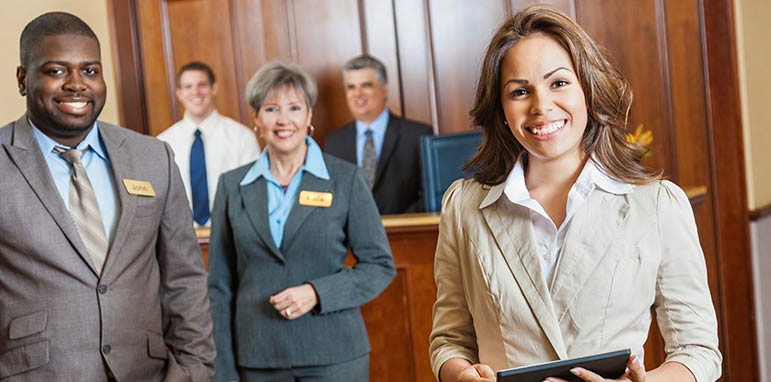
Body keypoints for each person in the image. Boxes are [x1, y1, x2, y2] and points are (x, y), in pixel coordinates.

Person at [428, 5, 721, 382]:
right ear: (501, 109)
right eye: (519, 91)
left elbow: (698, 350)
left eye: (559, 83)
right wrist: (459, 375)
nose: (541, 106)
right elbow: (449, 341)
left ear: (588, 89)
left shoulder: (658, 205)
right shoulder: (464, 207)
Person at [0, 12, 215, 381]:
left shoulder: (152, 157)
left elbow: (185, 278)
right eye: (57, 71)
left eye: (90, 71)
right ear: (22, 79)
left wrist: (193, 370)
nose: (77, 84)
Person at [208, 61, 395, 382]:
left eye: (294, 108)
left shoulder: (345, 179)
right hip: (258, 358)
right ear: (256, 118)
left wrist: (316, 292)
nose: (283, 120)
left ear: (308, 116)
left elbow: (379, 266)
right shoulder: (231, 186)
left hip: (334, 355)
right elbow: (219, 287)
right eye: (271, 109)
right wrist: (223, 369)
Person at [324, 54, 432, 215]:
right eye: (351, 87)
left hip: (405, 235)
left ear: (384, 89)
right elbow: (331, 196)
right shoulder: (334, 142)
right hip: (351, 239)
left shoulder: (417, 135)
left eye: (366, 85)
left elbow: (428, 196)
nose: (358, 93)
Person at [157, 61, 260, 226]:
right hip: (181, 238)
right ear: (179, 94)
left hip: (233, 234)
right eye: (188, 86)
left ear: (214, 88)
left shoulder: (242, 137)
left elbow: (253, 193)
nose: (196, 92)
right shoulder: (163, 143)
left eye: (202, 85)